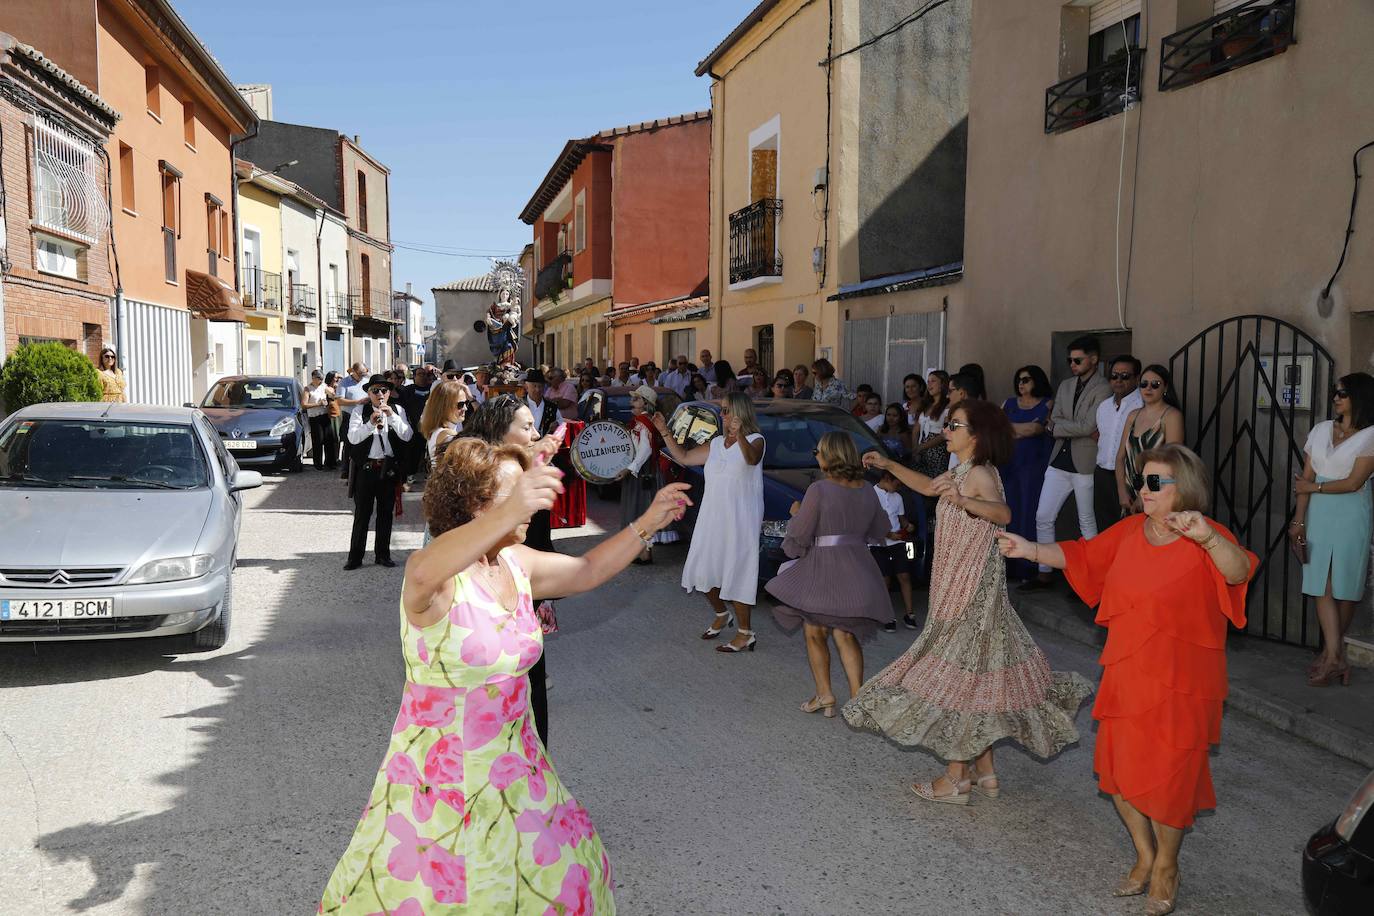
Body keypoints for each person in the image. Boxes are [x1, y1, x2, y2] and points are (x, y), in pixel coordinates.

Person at [318, 437, 689, 913]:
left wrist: (647, 524)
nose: (530, 508)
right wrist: (510, 507)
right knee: (442, 899)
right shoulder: (433, 578)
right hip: (439, 789)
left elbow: (587, 568)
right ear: (475, 504)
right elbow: (422, 567)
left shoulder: (515, 565)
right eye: (514, 497)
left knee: (553, 884)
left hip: (519, 776)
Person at [997, 444, 1257, 915]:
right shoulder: (1131, 531)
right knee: (1117, 776)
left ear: (1185, 489)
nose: (1144, 489)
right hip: (1127, 671)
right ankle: (1143, 854)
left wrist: (1209, 540)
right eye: (1143, 480)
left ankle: (1167, 867)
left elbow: (1239, 572)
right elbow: (1082, 555)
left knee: (1171, 780)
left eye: (1156, 482)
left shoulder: (1206, 535)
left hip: (1184, 682)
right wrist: (1029, 548)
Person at [845, 399, 1093, 807]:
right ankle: (986, 772)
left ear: (976, 435)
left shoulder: (977, 473)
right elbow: (928, 487)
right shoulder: (961, 470)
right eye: (948, 424)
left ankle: (955, 779)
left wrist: (963, 502)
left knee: (957, 681)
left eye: (954, 425)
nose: (946, 431)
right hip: (954, 584)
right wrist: (889, 466)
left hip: (970, 592)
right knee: (978, 679)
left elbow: (1003, 513)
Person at [767, 433, 893, 714]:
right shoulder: (867, 489)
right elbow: (879, 529)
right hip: (859, 569)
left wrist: (798, 513)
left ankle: (825, 695)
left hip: (825, 569)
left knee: (813, 631)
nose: (815, 455)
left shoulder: (819, 490)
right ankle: (857, 699)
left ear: (829, 455)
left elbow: (800, 532)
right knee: (845, 633)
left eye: (818, 450)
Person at [654, 391, 765, 652]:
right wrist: (664, 431)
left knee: (737, 574)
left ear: (740, 413)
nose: (722, 415)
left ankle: (745, 632)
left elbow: (752, 459)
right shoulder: (715, 444)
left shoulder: (756, 440)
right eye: (722, 411)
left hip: (740, 520)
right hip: (711, 516)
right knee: (702, 569)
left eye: (726, 411)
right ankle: (721, 613)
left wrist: (738, 436)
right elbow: (683, 457)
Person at [1292, 372, 1374, 687]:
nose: (1336, 397)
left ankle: (1331, 656)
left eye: (1342, 392)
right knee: (1320, 582)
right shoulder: (1321, 429)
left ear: (1360, 397)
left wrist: (1314, 488)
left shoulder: (1369, 436)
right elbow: (1305, 479)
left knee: (1345, 585)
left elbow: (1354, 483)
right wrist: (1299, 519)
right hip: (1318, 512)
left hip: (1352, 513)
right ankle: (1335, 656)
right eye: (1334, 392)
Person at [1024, 336, 1110, 591]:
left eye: (1078, 360)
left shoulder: (1103, 387)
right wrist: (1064, 427)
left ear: (1093, 359)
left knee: (1087, 521)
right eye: (1069, 360)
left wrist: (1059, 426)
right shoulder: (1066, 385)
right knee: (1043, 516)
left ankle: (1093, 577)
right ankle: (1045, 572)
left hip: (1084, 461)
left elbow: (1087, 425)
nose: (1072, 364)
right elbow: (1056, 422)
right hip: (1059, 459)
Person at [344, 374, 413, 570]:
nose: (380, 394)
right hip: (366, 469)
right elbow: (353, 439)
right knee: (362, 514)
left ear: (389, 393)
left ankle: (382, 555)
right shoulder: (360, 410)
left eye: (384, 390)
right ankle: (355, 557)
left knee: (385, 514)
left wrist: (391, 417)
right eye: (375, 391)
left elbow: (407, 436)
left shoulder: (398, 410)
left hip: (388, 469)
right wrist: (370, 424)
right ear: (369, 393)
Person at [1001, 365, 1054, 580]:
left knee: (1030, 512)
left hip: (1034, 466)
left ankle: (1029, 567)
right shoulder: (1008, 403)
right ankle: (1010, 566)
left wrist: (1014, 428)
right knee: (1010, 512)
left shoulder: (1047, 404)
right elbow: (998, 428)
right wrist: (1024, 429)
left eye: (1026, 380)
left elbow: (1037, 429)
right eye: (1019, 380)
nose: (1021, 384)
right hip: (1009, 464)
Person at [619, 385, 679, 564]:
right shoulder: (639, 422)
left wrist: (630, 468)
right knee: (640, 512)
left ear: (645, 404)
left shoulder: (644, 423)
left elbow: (645, 450)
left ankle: (644, 552)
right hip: (641, 471)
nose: (632, 402)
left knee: (641, 511)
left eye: (636, 399)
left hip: (643, 474)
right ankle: (642, 551)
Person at [1116, 365, 1185, 514]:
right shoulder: (1132, 415)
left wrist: (1145, 495)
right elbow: (1120, 457)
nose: (1148, 388)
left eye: (1155, 384)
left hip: (1157, 490)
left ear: (1165, 387)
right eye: (1144, 384)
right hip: (1129, 493)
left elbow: (1173, 462)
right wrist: (1122, 491)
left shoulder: (1171, 416)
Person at [1094, 356, 1144, 528]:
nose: (1118, 380)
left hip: (1130, 477)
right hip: (1102, 474)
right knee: (1104, 528)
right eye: (1114, 376)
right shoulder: (1104, 406)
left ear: (1137, 378)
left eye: (1125, 376)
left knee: (1130, 528)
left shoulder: (1142, 405)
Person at [871, 468, 917, 630]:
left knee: (904, 575)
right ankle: (887, 616)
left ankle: (910, 614)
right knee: (885, 580)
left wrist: (907, 525)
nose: (898, 487)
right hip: (878, 543)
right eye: (896, 484)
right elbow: (868, 521)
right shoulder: (870, 494)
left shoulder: (897, 497)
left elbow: (900, 517)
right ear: (886, 478)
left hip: (897, 542)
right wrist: (887, 534)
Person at [419, 380, 471, 465]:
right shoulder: (447, 435)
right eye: (460, 404)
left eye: (466, 403)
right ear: (444, 406)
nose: (465, 408)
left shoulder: (437, 429)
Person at [914, 370, 951, 478]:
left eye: (933, 381)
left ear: (943, 384)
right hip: (921, 451)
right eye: (928, 381)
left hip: (937, 452)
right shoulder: (925, 405)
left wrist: (922, 447)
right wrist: (915, 448)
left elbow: (945, 433)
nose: (929, 384)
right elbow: (916, 429)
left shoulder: (948, 407)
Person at [335, 362, 370, 477]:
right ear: (353, 372)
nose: (362, 376)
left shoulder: (367, 380)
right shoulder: (344, 382)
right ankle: (346, 470)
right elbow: (339, 400)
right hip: (349, 415)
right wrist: (357, 402)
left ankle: (362, 467)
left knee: (364, 441)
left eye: (364, 374)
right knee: (348, 443)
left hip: (364, 415)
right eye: (360, 374)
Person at [303, 370, 337, 470]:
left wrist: (332, 394)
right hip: (315, 417)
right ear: (313, 378)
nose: (321, 380)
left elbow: (332, 394)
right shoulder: (308, 389)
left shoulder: (323, 386)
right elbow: (304, 405)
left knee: (329, 439)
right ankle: (318, 464)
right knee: (318, 440)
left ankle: (330, 463)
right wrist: (318, 404)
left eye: (322, 378)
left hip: (325, 415)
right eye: (319, 379)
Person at [523, 368, 559, 437]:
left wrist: (556, 427)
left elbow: (561, 426)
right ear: (526, 387)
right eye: (534, 386)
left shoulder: (552, 407)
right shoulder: (519, 405)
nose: (537, 390)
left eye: (540, 386)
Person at [324, 371, 343, 466]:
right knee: (332, 438)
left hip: (338, 414)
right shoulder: (327, 388)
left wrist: (340, 377)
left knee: (338, 438)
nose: (337, 379)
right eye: (336, 377)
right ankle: (330, 460)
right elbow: (334, 396)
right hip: (331, 415)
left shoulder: (337, 386)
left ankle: (336, 458)